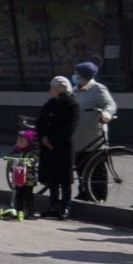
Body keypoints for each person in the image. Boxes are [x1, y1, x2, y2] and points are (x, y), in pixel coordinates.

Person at [71, 61, 117, 202]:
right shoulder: (75, 90)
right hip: (77, 136)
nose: (75, 76)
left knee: (96, 168)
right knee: (81, 166)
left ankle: (99, 197)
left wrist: (107, 114)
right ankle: (84, 193)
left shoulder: (97, 88)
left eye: (77, 73)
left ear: (84, 75)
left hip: (93, 136)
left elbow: (110, 104)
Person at [38, 76, 80, 220]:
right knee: (52, 178)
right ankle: (53, 206)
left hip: (63, 146)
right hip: (48, 146)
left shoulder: (72, 105)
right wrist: (43, 137)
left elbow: (69, 128)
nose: (50, 90)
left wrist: (51, 140)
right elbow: (40, 122)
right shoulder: (49, 104)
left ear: (60, 89)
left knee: (65, 179)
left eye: (53, 88)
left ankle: (65, 206)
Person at [0, 129, 39, 220]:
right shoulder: (15, 151)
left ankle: (30, 211)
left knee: (28, 194)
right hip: (18, 177)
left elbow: (35, 159)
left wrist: (30, 161)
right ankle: (18, 209)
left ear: (28, 142)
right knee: (18, 193)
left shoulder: (32, 152)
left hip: (29, 178)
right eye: (18, 140)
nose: (19, 142)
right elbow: (11, 161)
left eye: (22, 140)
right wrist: (10, 164)